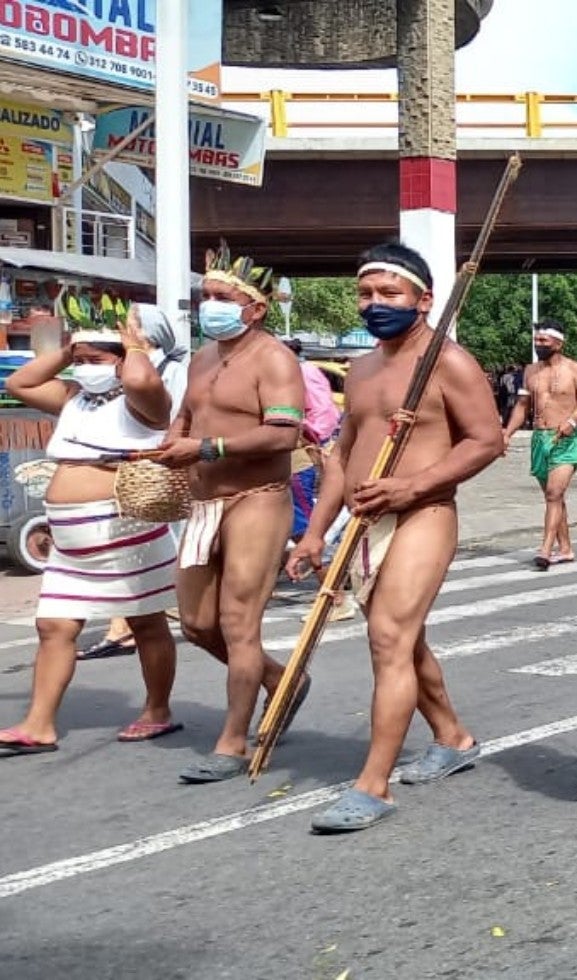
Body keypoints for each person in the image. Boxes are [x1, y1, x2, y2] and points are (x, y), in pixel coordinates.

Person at [288, 241, 504, 833]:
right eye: (366, 293)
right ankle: (452, 737)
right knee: (404, 642)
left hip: (424, 514)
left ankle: (373, 784)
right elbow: (342, 456)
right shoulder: (360, 368)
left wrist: (413, 487)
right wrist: (313, 535)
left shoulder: (448, 362)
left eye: (389, 293)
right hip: (363, 522)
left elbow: (486, 440)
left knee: (388, 636)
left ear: (424, 300)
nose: (375, 303)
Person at [158, 247, 307, 784]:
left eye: (223, 298)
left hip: (258, 499)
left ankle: (233, 741)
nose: (210, 306)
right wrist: (172, 444)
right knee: (198, 625)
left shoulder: (273, 359)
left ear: (256, 308)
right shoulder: (202, 357)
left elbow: (284, 431)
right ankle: (281, 679)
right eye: (207, 297)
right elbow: (185, 416)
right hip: (203, 504)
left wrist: (207, 450)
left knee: (238, 625)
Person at [0, 315, 179, 755]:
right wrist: (70, 349)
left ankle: (158, 709)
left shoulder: (146, 402)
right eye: (79, 361)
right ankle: (39, 724)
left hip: (125, 527)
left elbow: (141, 379)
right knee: (53, 626)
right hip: (69, 540)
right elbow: (19, 384)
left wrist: (132, 346)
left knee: (146, 621)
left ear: (123, 359)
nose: (84, 367)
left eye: (95, 360)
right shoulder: (74, 398)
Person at [79, 303, 189, 662]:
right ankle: (123, 626)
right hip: (127, 471)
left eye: (129, 324)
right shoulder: (123, 368)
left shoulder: (171, 371)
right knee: (131, 548)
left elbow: (174, 418)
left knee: (150, 546)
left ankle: (131, 625)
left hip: (158, 471)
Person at [503, 320, 577, 568]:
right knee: (554, 496)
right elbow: (522, 406)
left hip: (565, 439)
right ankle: (565, 549)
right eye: (536, 340)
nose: (538, 344)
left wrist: (573, 423)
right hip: (540, 438)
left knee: (554, 493)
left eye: (543, 340)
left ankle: (545, 549)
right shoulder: (531, 371)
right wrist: (507, 433)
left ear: (559, 342)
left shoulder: (575, 369)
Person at [284, 338, 342, 544]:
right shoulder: (293, 373)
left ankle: (322, 566)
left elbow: (323, 412)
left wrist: (309, 433)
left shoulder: (303, 372)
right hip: (290, 453)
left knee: (303, 521)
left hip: (299, 454)